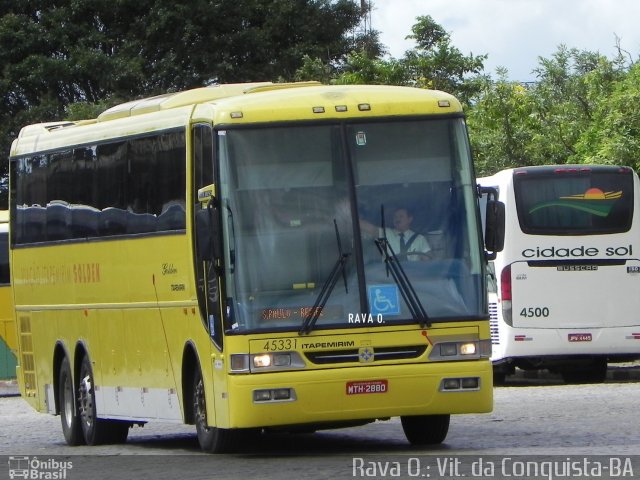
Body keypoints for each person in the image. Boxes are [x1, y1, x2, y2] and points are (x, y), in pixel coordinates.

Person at [360, 207, 431, 261]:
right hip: (390, 276)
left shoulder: (420, 239)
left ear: (410, 219)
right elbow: (368, 228)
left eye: (401, 216)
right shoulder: (385, 233)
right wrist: (350, 213)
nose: (397, 219)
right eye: (395, 217)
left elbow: (428, 262)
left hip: (413, 277)